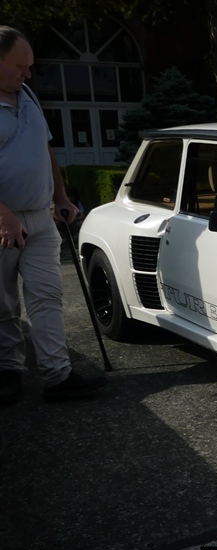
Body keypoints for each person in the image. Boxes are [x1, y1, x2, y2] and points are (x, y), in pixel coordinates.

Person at [0, 26, 107, 404]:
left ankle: (57, 374)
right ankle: (7, 372)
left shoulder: (27, 96)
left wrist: (61, 196)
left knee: (47, 296)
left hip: (40, 218)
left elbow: (44, 150)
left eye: (29, 66)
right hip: (3, 223)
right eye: (20, 66)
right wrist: (3, 215)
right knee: (3, 303)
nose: (28, 74)